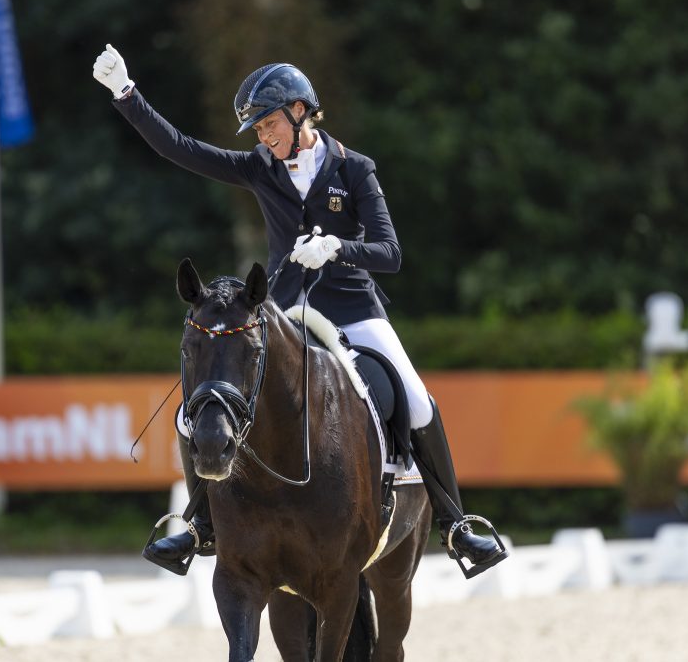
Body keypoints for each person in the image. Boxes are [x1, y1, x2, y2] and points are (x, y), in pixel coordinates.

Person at [92, 44, 504, 575]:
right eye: (258, 130)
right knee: (203, 402)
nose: (264, 138)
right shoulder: (259, 169)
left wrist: (337, 247)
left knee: (417, 399)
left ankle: (456, 524)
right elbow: (181, 149)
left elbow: (391, 253)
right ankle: (199, 525)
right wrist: (127, 94)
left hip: (354, 309)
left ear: (300, 111)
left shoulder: (354, 170)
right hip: (286, 314)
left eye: (268, 125)